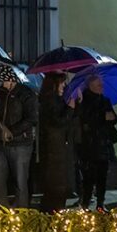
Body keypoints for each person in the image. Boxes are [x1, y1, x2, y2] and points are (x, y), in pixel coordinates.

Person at [76, 74, 117, 211]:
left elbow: (110, 118)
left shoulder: (105, 100)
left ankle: (100, 203)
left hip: (104, 143)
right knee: (89, 177)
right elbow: (85, 120)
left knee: (102, 176)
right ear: (91, 86)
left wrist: (113, 118)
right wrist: (103, 117)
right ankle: (85, 203)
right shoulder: (84, 100)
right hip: (89, 145)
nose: (102, 87)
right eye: (99, 85)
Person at [0, 77, 38, 208]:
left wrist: (12, 131)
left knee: (20, 181)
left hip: (20, 143)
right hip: (1, 143)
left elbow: (32, 118)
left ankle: (22, 211)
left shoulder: (26, 94)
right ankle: (3, 209)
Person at [38, 72, 75, 212]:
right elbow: (58, 122)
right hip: (54, 150)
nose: (64, 86)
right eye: (62, 83)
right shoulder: (50, 101)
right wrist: (70, 109)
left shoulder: (56, 100)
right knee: (56, 188)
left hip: (58, 148)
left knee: (58, 188)